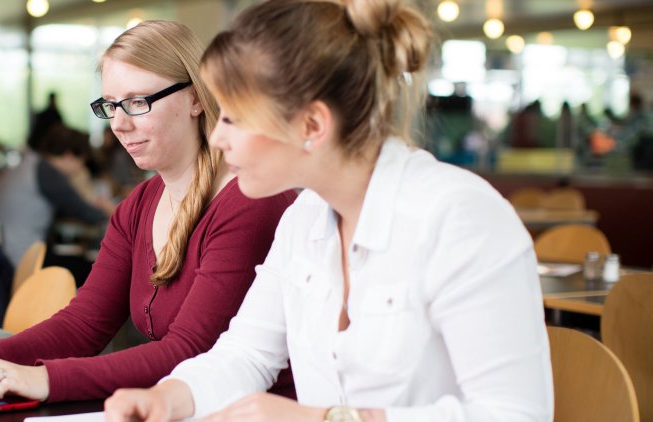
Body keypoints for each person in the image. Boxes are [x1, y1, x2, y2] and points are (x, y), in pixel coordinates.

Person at [105, 1, 553, 421]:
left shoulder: (461, 218)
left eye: (235, 117)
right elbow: (246, 354)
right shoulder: (303, 219)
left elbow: (514, 414)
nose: (218, 138)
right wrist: (166, 397)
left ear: (312, 125)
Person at [0, 20, 297, 404]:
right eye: (110, 106)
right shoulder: (138, 207)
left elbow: (189, 352)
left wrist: (41, 379)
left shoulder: (248, 202)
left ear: (196, 97)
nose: (119, 125)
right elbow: (84, 325)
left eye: (138, 102)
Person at [0, 123, 114, 266]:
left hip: (5, 249)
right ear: (69, 156)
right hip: (21, 257)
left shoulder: (32, 164)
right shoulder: (48, 173)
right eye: (81, 162)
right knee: (92, 267)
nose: (80, 168)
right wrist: (110, 211)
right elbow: (83, 212)